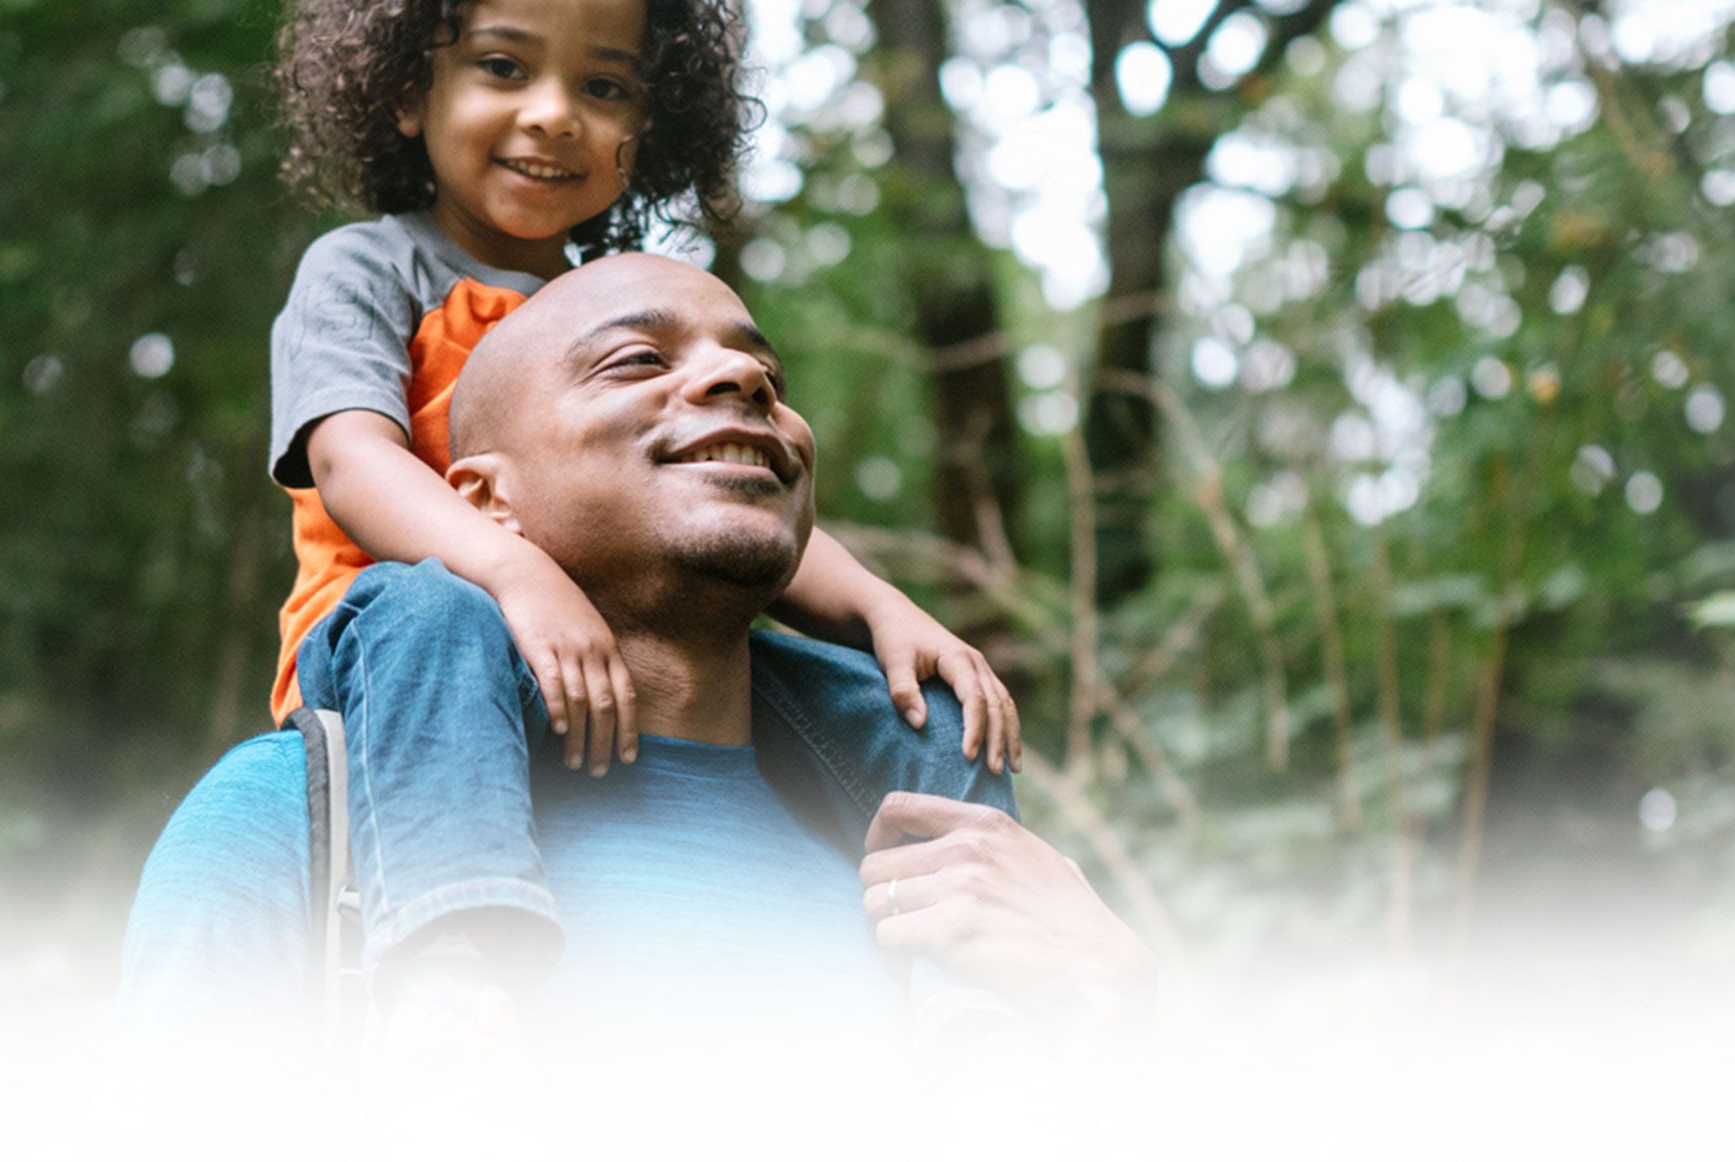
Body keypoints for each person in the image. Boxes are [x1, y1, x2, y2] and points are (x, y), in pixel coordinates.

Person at [124, 254, 1152, 1057]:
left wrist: (1121, 1002)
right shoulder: (290, 832)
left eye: (766, 373)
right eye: (637, 360)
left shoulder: (951, 854)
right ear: (483, 504)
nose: (745, 376)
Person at [254, 0, 1019, 1015]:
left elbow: (719, 485)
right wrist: (512, 571)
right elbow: (351, 461)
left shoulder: (629, 300)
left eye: (604, 86)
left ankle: (982, 998)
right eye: (502, 68)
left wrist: (881, 608)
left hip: (634, 652)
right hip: (410, 652)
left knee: (924, 707)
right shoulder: (365, 268)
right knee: (434, 608)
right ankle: (450, 967)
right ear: (406, 93)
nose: (556, 115)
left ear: (645, 133)